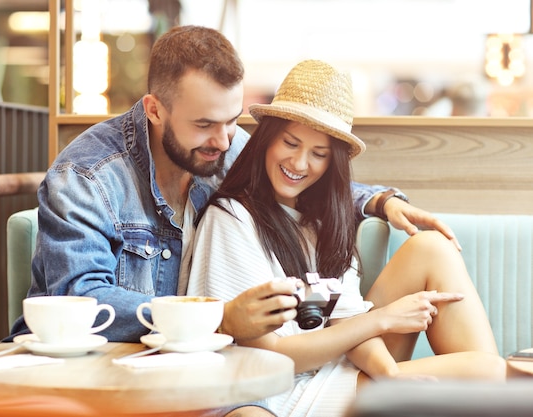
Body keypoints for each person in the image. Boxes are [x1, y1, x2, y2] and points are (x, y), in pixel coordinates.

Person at [6, 25, 462, 415]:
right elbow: (80, 301)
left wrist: (379, 201)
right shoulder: (86, 176)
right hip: (103, 371)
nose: (224, 141)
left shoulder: (219, 146)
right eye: (205, 123)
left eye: (231, 121)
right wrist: (218, 318)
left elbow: (298, 178)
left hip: (197, 366)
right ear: (154, 109)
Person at [185, 60, 506, 417]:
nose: (300, 163)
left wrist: (391, 375)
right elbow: (265, 357)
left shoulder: (324, 222)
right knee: (489, 373)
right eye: (290, 142)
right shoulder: (232, 217)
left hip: (332, 371)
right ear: (266, 140)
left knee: (431, 247)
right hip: (278, 391)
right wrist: (382, 320)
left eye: (319, 154)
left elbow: (347, 320)